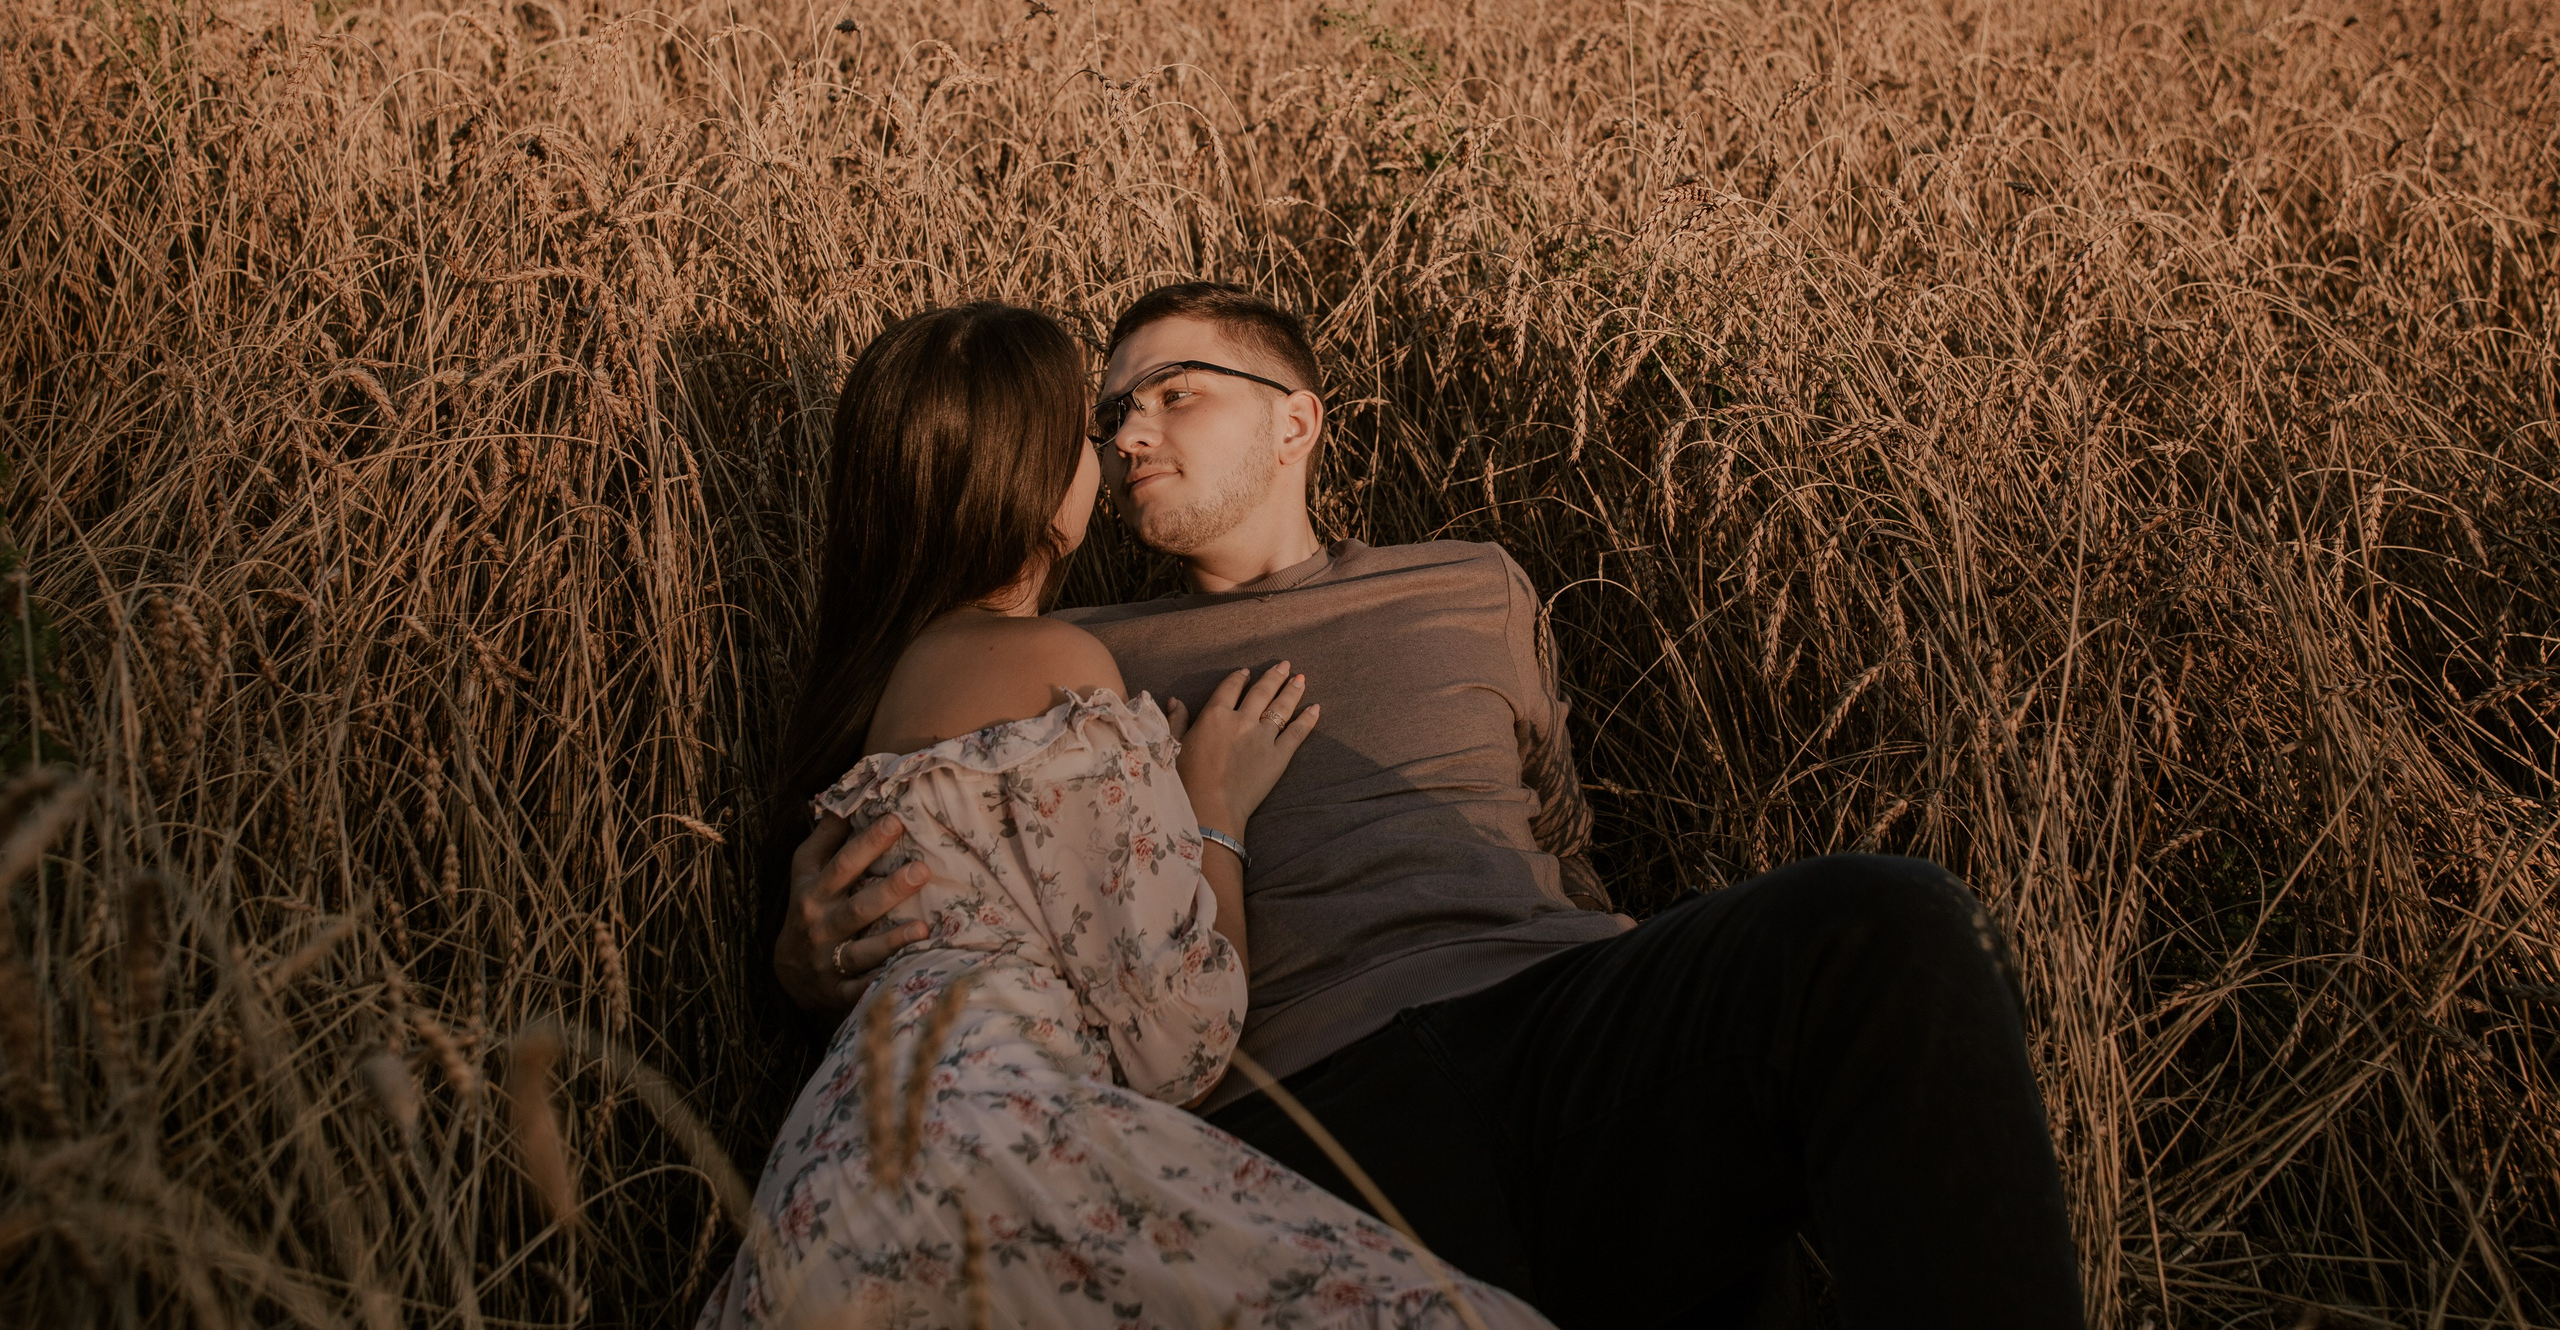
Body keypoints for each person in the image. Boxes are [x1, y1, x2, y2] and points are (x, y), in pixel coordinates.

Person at [777, 282, 2089, 1330]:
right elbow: (935, 856)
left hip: (1563, 1020)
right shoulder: (1080, 650)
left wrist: (1614, 944)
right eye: (1111, 411)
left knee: (1882, 919)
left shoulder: (1473, 581)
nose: (1128, 432)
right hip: (1304, 1117)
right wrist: (802, 950)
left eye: (1175, 393)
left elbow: (1559, 831)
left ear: (1299, 417)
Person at [701, 302, 1551, 1329]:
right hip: (998, 1155)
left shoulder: (903, 675)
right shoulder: (1057, 667)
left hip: (855, 1162)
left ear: (1298, 423)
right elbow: (1178, 1039)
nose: (1116, 449)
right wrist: (1214, 809)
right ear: (1030, 471)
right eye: (1091, 428)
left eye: (1171, 396)